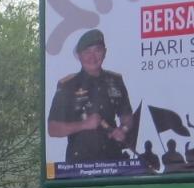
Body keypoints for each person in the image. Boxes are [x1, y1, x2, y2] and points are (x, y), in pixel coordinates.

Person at [47, 29, 135, 163]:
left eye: (97, 50)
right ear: (79, 56)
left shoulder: (115, 80)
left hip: (112, 159)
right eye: (86, 52)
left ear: (105, 52)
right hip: (79, 164)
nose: (92, 58)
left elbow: (127, 116)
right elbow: (53, 129)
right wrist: (83, 125)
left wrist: (123, 129)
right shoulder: (67, 86)